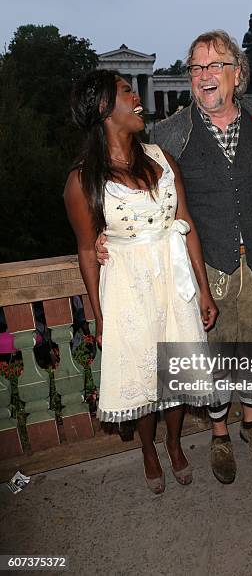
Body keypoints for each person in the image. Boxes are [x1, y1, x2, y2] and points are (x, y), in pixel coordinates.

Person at [97, 30, 252, 484]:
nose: (204, 75)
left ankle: (251, 424)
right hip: (208, 267)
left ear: (237, 74)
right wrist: (108, 231)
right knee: (214, 359)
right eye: (196, 67)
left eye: (216, 65)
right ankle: (219, 434)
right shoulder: (170, 131)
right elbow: (136, 185)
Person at [64, 69, 217, 494]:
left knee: (177, 375)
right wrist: (98, 315)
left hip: (174, 280)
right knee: (146, 379)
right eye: (127, 92)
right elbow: (84, 250)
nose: (137, 99)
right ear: (103, 108)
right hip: (128, 290)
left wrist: (203, 289)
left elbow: (185, 223)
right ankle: (149, 449)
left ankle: (172, 442)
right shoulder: (82, 181)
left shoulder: (163, 159)